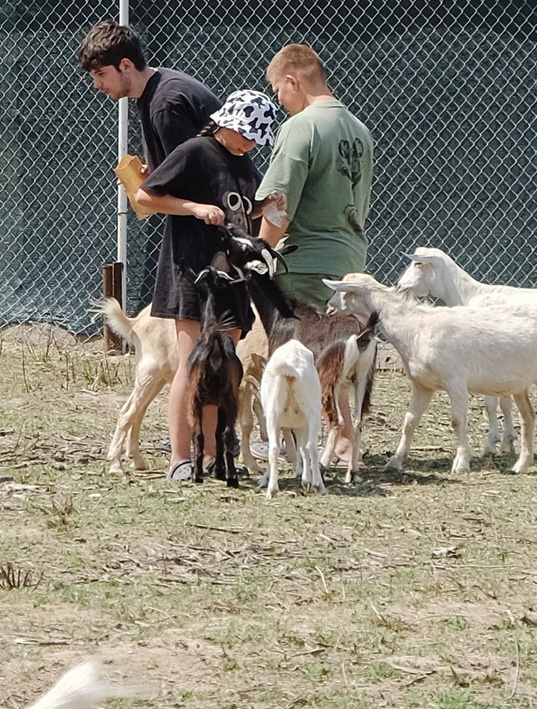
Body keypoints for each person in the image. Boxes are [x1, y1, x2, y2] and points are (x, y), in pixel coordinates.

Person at [131, 87, 286, 482]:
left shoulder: (243, 162)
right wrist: (193, 208)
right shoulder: (196, 152)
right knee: (192, 363)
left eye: (257, 139)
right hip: (192, 274)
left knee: (224, 367)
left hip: (233, 280)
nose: (251, 143)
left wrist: (264, 208)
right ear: (228, 124)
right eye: (247, 134)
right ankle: (181, 457)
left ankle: (214, 455)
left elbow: (239, 208)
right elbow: (146, 196)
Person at [256, 42, 374, 458]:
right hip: (349, 260)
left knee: (299, 354)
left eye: (277, 91)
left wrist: (259, 253)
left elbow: (277, 205)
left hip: (302, 262)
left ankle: (306, 440)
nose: (279, 101)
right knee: (340, 357)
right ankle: (344, 437)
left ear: (292, 81)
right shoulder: (359, 129)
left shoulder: (301, 128)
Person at [78, 17, 216, 322]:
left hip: (206, 228)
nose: (97, 85)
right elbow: (182, 161)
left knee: (192, 340)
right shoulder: (159, 88)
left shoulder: (165, 102)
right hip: (203, 220)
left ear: (126, 65)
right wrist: (151, 170)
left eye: (101, 74)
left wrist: (152, 191)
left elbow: (191, 177)